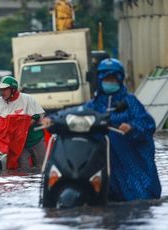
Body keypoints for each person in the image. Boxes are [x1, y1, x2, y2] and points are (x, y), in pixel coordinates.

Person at [42, 58, 161, 201]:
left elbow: (147, 123)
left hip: (128, 157)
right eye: (106, 79)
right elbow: (76, 112)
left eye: (112, 79)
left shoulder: (130, 101)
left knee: (138, 196)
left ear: (119, 79)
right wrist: (53, 119)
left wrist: (132, 128)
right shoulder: (95, 103)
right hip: (104, 156)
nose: (109, 82)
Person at [0, 76, 46, 169]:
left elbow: (38, 115)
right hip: (18, 144)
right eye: (0, 90)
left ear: (12, 89)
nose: (2, 92)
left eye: (4, 90)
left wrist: (24, 127)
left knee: (42, 167)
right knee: (24, 170)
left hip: (35, 139)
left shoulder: (27, 99)